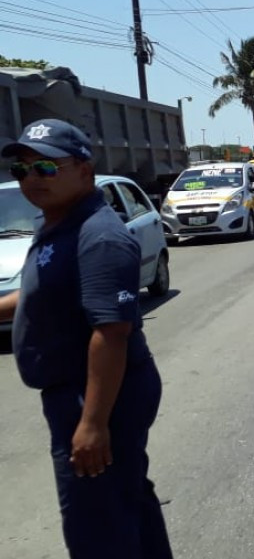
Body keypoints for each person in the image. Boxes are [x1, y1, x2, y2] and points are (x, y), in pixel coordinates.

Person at [0, 119, 173, 558]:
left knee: (94, 526)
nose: (31, 179)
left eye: (46, 168)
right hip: (79, 391)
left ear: (84, 170)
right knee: (125, 500)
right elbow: (44, 295)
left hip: (97, 395)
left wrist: (92, 424)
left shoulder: (99, 236)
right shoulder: (60, 223)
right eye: (22, 170)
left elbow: (110, 333)